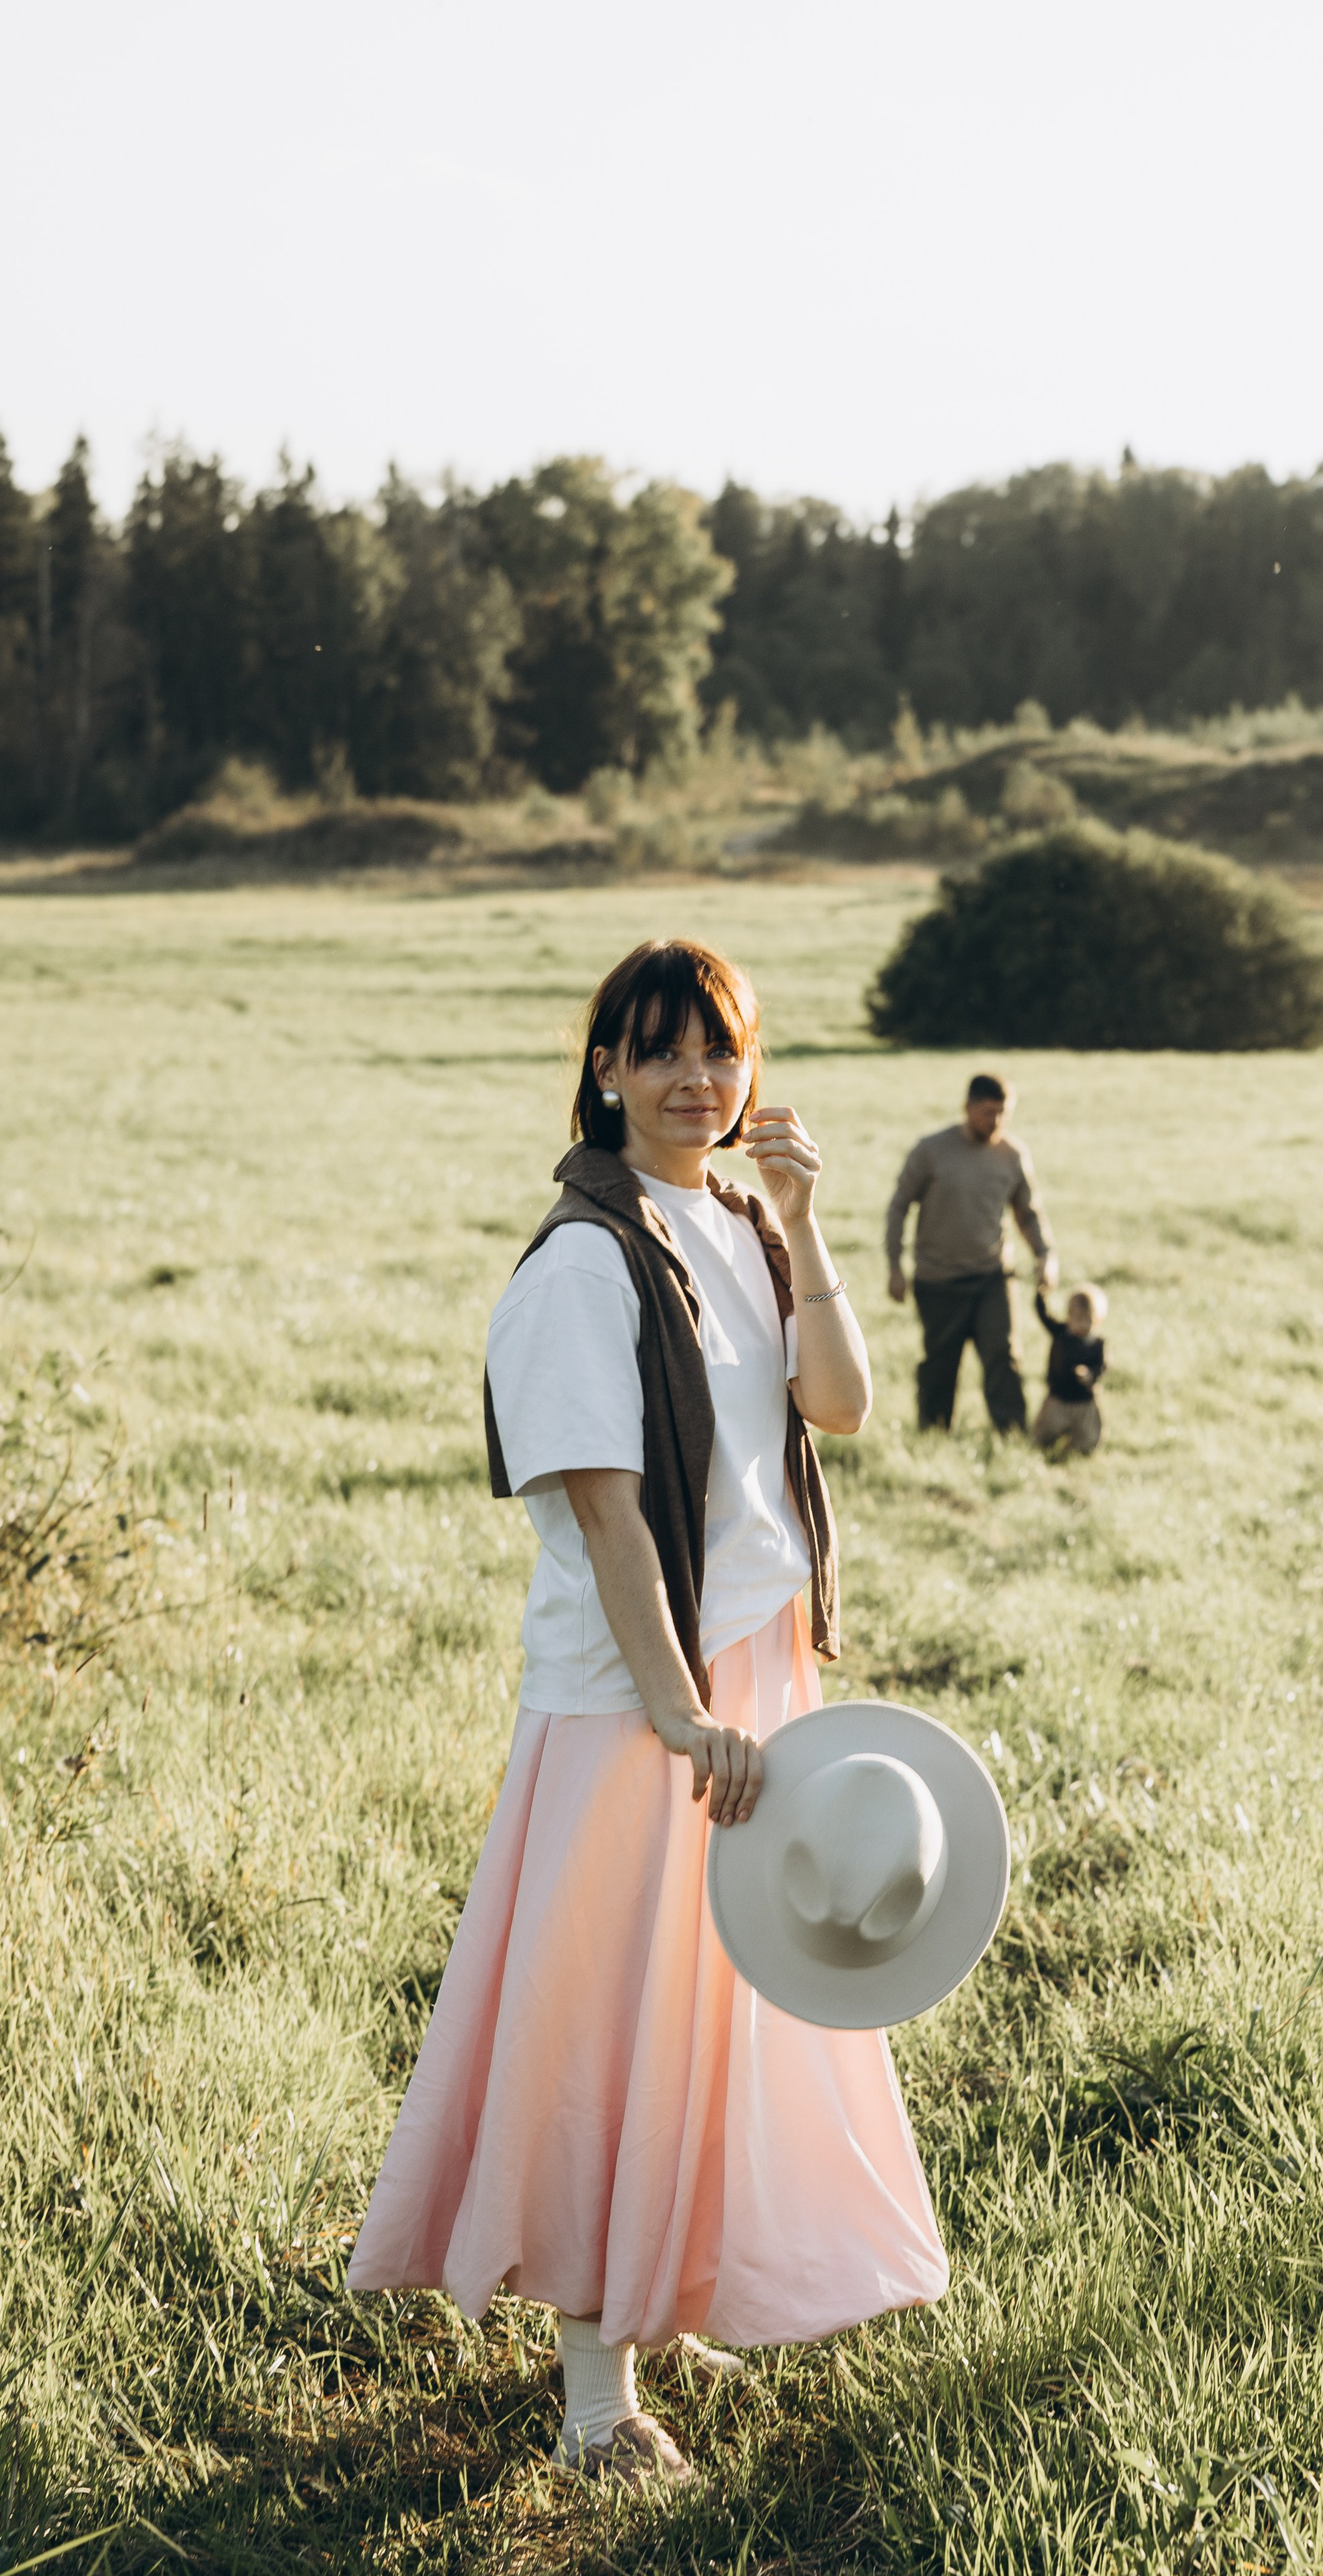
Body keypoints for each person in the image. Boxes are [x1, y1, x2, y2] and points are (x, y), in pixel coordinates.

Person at [347, 938, 947, 2487]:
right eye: (661, 1049)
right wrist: (680, 1717)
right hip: (640, 1696)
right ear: (604, 1068)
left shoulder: (739, 1223)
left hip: (757, 1671)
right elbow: (607, 1515)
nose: (696, 1078)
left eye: (720, 1050)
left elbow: (839, 1406)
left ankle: (666, 2293)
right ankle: (595, 2400)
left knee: (714, 2015)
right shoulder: (579, 1262)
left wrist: (803, 1221)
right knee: (609, 2017)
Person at [884, 1073, 1057, 1434]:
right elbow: (899, 1206)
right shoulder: (931, 1151)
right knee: (940, 1366)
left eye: (1004, 1113)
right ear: (967, 1108)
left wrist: (1046, 1255)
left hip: (993, 1277)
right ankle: (934, 1436)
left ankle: (1012, 1436)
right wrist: (895, 1267)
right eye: (988, 1112)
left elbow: (1028, 1213)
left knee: (1004, 1358)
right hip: (938, 1280)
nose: (996, 1121)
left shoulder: (1013, 1155)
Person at [1033, 1284, 1107, 1456]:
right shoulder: (1061, 1333)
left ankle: (1077, 1451)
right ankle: (1047, 1448)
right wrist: (1041, 1295)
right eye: (1078, 1319)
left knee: (1087, 1441)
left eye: (1089, 1320)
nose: (1083, 1325)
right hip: (1058, 1397)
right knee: (1044, 1435)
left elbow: (1102, 1366)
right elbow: (1044, 1316)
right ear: (1069, 1317)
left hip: (1084, 1400)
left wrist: (1091, 1375)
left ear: (1098, 1320)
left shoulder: (1098, 1344)